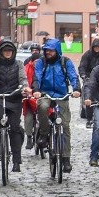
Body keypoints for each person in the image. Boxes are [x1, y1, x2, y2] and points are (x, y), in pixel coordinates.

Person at [32, 38, 81, 173]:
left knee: (64, 126)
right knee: (42, 107)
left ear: (57, 51)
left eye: (51, 50)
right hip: (46, 93)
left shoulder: (65, 62)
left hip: (62, 95)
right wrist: (36, 90)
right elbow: (36, 77)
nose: (48, 53)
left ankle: (66, 158)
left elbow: (73, 76)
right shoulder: (41, 62)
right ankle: (44, 133)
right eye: (46, 50)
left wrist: (76, 89)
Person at [0, 39, 29, 172]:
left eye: (10, 51)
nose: (7, 53)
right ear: (0, 52)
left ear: (13, 52)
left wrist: (25, 87)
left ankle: (16, 161)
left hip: (14, 97)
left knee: (14, 128)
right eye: (5, 51)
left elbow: (23, 78)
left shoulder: (19, 64)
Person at [78, 38, 99, 127]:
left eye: (98, 47)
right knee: (88, 97)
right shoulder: (87, 55)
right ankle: (89, 119)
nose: (97, 49)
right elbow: (82, 66)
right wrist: (83, 75)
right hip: (89, 78)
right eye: (95, 47)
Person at [22, 45, 41, 149]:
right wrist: (25, 90)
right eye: (35, 62)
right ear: (31, 61)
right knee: (28, 117)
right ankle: (29, 137)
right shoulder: (26, 68)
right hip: (29, 97)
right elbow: (23, 80)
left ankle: (44, 135)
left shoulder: (44, 68)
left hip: (41, 96)